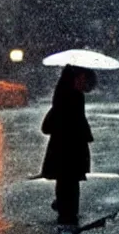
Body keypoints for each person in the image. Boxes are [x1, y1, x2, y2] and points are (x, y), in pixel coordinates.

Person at [40, 65, 97, 225]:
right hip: (68, 147)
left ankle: (66, 209)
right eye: (83, 79)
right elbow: (72, 121)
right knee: (68, 180)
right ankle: (67, 212)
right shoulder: (69, 96)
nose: (84, 83)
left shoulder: (68, 93)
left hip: (67, 146)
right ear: (77, 77)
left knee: (67, 180)